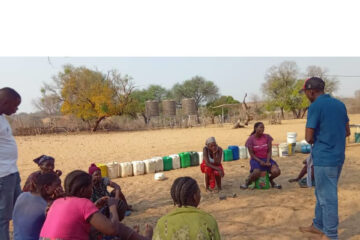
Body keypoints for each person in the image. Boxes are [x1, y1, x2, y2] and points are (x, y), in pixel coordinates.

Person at [298, 77, 350, 240]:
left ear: (312, 91)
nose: (306, 95)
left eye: (306, 92)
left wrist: (321, 139)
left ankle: (331, 234)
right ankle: (318, 225)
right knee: (322, 193)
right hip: (338, 156)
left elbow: (308, 137)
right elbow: (347, 131)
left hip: (324, 158)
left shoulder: (315, 107)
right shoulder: (340, 105)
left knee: (327, 197)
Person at [40, 170, 152, 240]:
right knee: (113, 231)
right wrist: (113, 206)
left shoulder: (58, 202)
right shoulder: (83, 203)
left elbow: (74, 219)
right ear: (83, 190)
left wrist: (95, 207)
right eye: (90, 187)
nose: (92, 190)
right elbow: (111, 229)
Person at [153, 177, 221, 240]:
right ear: (195, 197)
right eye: (199, 193)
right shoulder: (208, 221)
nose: (200, 195)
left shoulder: (162, 223)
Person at [0, 87, 22, 240]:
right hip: (3, 175)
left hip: (12, 172)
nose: (16, 109)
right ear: (5, 102)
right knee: (3, 217)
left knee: (20, 209)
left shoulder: (2, 117)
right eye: (15, 105)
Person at [12, 173, 61, 240]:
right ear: (46, 187)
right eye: (58, 185)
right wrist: (60, 200)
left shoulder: (22, 196)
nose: (60, 188)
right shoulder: (46, 206)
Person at [240, 122, 282, 189]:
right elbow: (252, 155)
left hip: (266, 158)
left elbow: (269, 151)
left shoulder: (267, 137)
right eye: (261, 127)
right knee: (256, 172)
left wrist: (268, 161)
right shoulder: (250, 139)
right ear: (255, 128)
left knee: (277, 171)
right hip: (255, 160)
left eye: (263, 128)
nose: (262, 129)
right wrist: (260, 161)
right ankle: (247, 182)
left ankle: (270, 180)